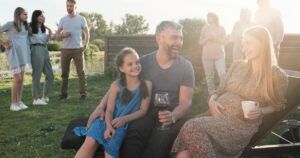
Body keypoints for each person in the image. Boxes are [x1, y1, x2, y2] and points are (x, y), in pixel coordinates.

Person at [171, 26, 288, 158]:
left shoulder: (276, 75)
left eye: (248, 43)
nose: (243, 48)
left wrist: (261, 111)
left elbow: (278, 104)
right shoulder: (238, 65)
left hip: (240, 125)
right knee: (185, 152)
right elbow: (219, 89)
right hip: (215, 116)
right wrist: (212, 101)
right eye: (243, 43)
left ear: (263, 43)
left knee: (191, 126)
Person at [86, 21, 195, 158]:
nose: (179, 42)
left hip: (170, 116)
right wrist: (101, 106)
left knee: (157, 145)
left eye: (181, 38)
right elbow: (120, 84)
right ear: (159, 39)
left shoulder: (185, 67)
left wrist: (173, 116)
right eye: (174, 37)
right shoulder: (143, 62)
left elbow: (185, 103)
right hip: (145, 113)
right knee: (131, 140)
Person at [73, 47, 152, 158]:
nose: (135, 66)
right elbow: (109, 110)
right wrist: (108, 126)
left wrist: (124, 119)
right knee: (90, 140)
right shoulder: (116, 85)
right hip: (107, 120)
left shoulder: (147, 84)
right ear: (121, 68)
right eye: (130, 64)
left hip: (122, 124)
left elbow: (143, 110)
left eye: (137, 62)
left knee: (111, 147)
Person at [56, 0, 90, 101]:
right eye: (67, 6)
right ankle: (63, 95)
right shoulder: (63, 20)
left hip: (77, 49)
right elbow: (57, 36)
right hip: (65, 49)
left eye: (71, 6)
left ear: (75, 7)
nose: (69, 8)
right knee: (64, 73)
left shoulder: (81, 19)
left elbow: (87, 33)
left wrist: (86, 44)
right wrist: (63, 35)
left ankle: (83, 94)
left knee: (81, 72)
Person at [0, 7, 31, 111]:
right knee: (17, 79)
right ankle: (13, 104)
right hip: (13, 54)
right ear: (18, 15)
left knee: (21, 80)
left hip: (23, 54)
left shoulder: (25, 26)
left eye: (27, 14)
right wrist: (3, 42)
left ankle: (19, 101)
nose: (27, 16)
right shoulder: (10, 24)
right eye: (25, 14)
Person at [29, 10, 54, 105]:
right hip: (36, 49)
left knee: (50, 75)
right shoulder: (30, 27)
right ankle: (36, 98)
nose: (43, 17)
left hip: (44, 49)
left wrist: (49, 30)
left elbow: (47, 39)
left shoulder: (43, 29)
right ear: (36, 17)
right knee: (37, 74)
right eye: (41, 16)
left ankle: (45, 96)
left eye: (43, 16)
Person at [199, 12, 226, 95]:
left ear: (214, 17)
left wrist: (215, 38)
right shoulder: (205, 28)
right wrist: (207, 38)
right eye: (207, 17)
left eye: (209, 17)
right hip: (207, 56)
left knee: (222, 73)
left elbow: (225, 41)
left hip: (219, 55)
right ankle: (212, 94)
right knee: (209, 77)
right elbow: (200, 42)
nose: (207, 18)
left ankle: (223, 92)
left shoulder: (221, 28)